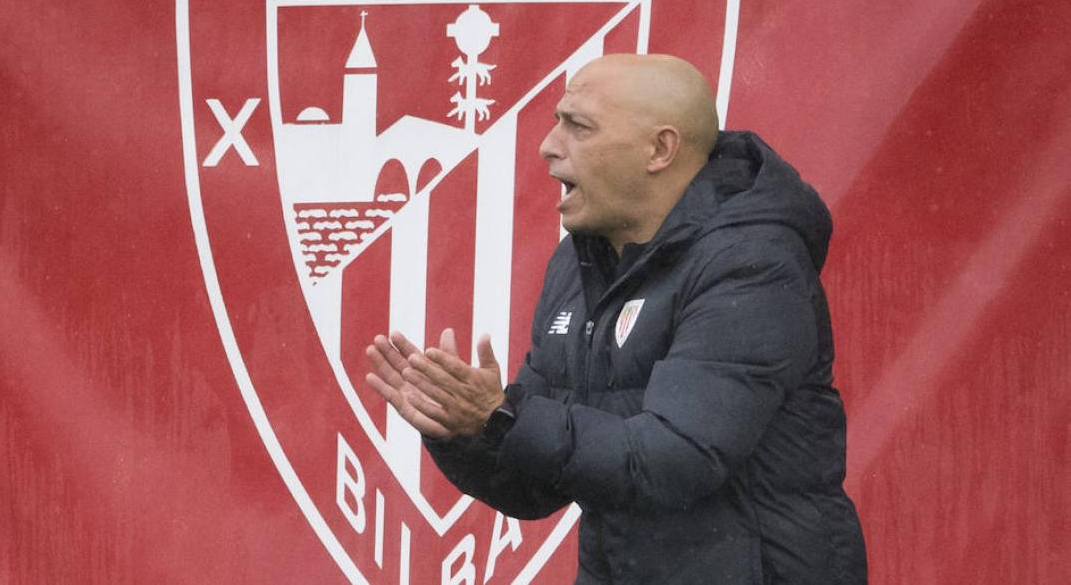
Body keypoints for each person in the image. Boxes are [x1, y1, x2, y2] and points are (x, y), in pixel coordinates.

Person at [366, 54, 867, 584]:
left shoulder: (751, 263)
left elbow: (675, 460)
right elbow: (535, 485)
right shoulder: (582, 261)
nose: (548, 146)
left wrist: (503, 416)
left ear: (660, 149)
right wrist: (462, 427)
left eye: (577, 126)